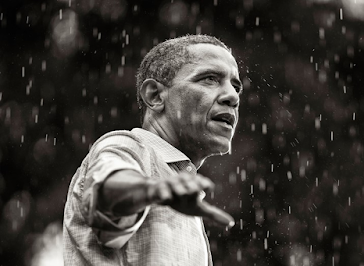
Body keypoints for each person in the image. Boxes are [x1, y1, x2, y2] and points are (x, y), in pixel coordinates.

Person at [63, 34, 243, 265]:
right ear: (155, 96)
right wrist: (152, 190)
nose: (232, 97)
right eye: (209, 79)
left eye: (236, 86)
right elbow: (107, 196)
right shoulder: (127, 148)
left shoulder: (180, 188)